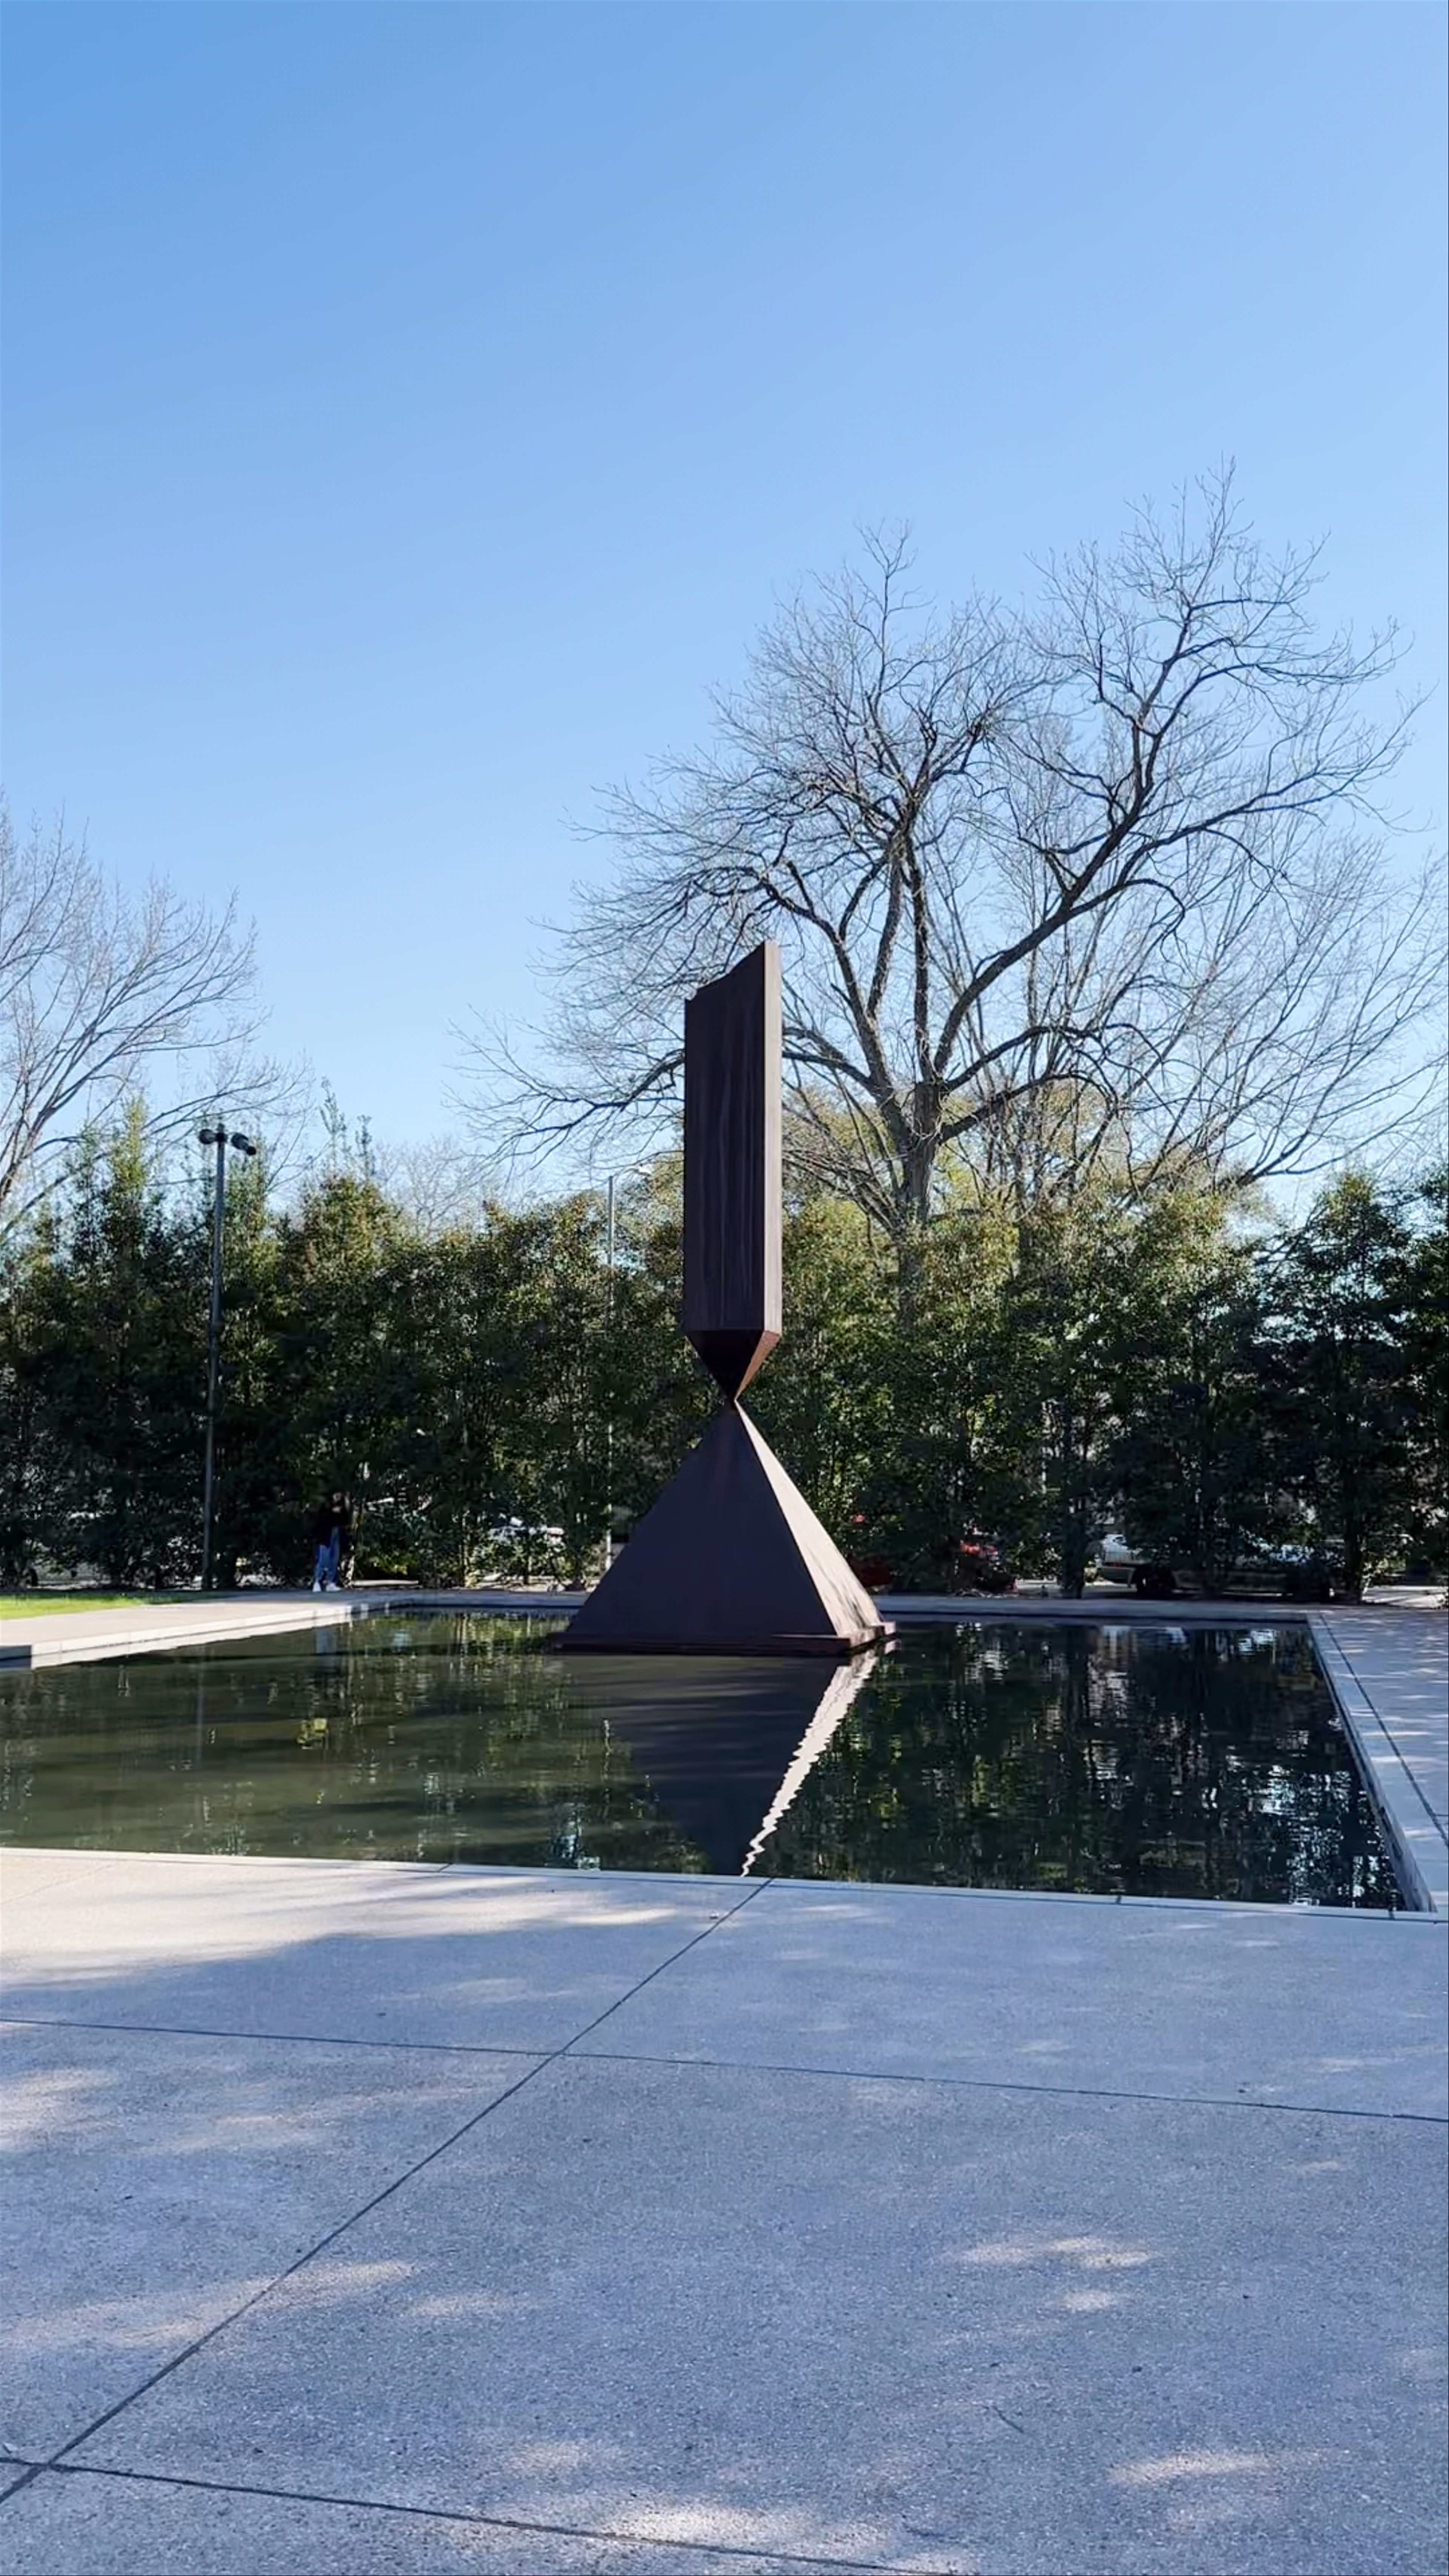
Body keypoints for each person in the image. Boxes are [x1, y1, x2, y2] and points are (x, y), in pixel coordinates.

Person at [309, 1492, 351, 1591]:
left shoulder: (342, 1507)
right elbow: (321, 1520)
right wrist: (332, 1512)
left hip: (336, 1535)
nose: (338, 1498)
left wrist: (345, 1507)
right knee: (324, 1560)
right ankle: (317, 1582)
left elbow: (346, 1521)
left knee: (334, 1559)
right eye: (336, 1495)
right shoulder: (326, 1506)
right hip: (325, 1536)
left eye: (340, 1496)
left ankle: (330, 1582)